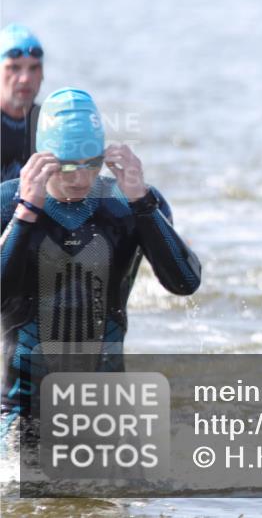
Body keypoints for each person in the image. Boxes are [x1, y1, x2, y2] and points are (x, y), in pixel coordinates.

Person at [1, 88, 201, 433]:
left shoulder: (130, 205)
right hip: (16, 411)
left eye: (91, 163)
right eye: (66, 166)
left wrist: (143, 204)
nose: (80, 178)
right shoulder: (6, 204)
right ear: (43, 156)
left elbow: (185, 282)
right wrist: (26, 214)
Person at [1, 24, 44, 181]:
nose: (25, 78)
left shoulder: (53, 123)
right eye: (14, 67)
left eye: (34, 68)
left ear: (42, 74)